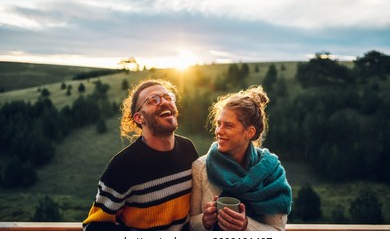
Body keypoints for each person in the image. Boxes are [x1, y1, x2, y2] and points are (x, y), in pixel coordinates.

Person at [83, 79, 199, 231]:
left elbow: (196, 207)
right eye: (153, 100)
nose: (164, 102)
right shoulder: (122, 166)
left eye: (168, 97)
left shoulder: (188, 149)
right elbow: (93, 227)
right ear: (139, 118)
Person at [190, 85, 292, 231]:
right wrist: (204, 221)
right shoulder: (201, 167)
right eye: (219, 124)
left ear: (249, 132)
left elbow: (277, 230)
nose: (219, 131)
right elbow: (191, 225)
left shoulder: (272, 171)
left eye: (228, 126)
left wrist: (245, 226)